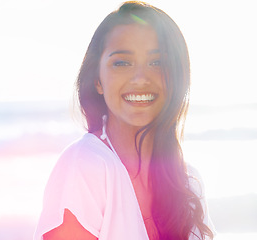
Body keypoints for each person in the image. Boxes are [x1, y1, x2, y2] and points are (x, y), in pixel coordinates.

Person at [34, 1, 215, 239]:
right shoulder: (84, 166)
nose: (140, 78)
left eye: (157, 62)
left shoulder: (188, 183)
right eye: (122, 63)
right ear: (98, 80)